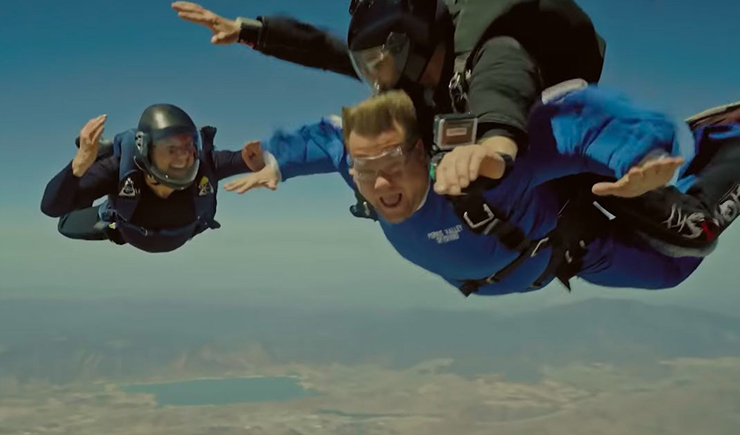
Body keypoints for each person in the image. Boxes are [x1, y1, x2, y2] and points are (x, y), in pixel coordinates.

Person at [171, 0, 722, 252]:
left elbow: (502, 86)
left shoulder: (493, 47)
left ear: (412, 44)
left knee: (686, 237)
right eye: (370, 69)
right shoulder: (403, 71)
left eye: (380, 65)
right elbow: (329, 50)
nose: (375, 82)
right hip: (507, 162)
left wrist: (499, 142)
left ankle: (715, 173)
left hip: (537, 135)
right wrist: (250, 30)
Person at [223, 86, 740, 296]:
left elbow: (577, 122)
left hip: (576, 239)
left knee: (685, 249)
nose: (379, 182)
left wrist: (640, 160)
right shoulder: (358, 162)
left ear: (424, 153)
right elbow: (324, 135)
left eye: (394, 162)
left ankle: (727, 141)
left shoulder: (483, 173)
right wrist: (277, 162)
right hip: (538, 260)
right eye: (364, 168)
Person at [40, 104, 265, 253]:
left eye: (189, 146)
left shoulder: (206, 165)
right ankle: (95, 163)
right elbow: (52, 207)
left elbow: (247, 159)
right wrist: (79, 166)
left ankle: (94, 164)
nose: (183, 156)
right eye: (171, 148)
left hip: (172, 233)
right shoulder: (118, 170)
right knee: (66, 220)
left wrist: (262, 159)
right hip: (119, 228)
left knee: (79, 192)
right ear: (146, 150)